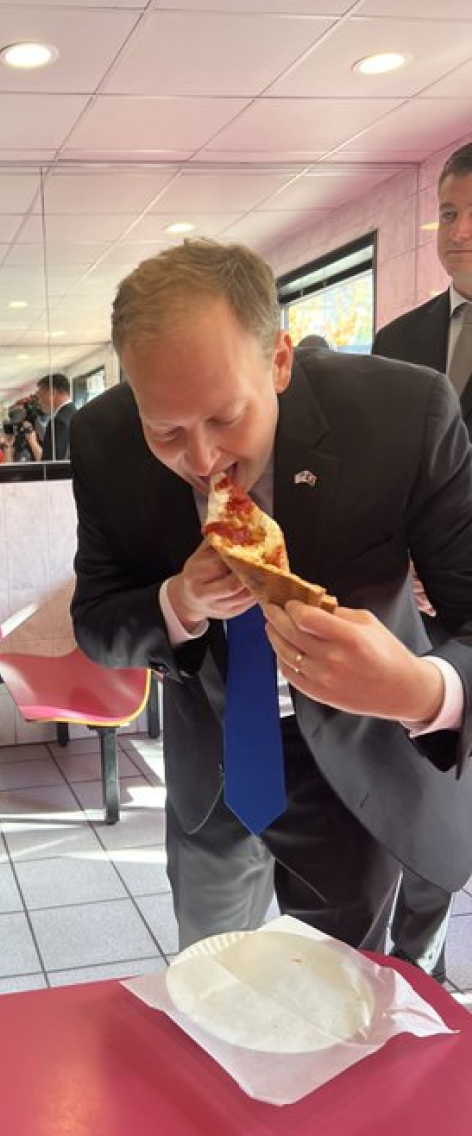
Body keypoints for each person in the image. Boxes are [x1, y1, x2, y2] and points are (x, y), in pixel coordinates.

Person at [71, 238, 472, 956]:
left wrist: (416, 686)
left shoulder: (403, 414)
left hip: (359, 756)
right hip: (214, 761)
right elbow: (97, 621)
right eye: (165, 430)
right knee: (211, 974)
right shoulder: (103, 440)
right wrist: (178, 601)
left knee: (347, 993)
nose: (201, 461)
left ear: (279, 361)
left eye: (226, 418)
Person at [371, 141, 472, 981]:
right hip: (412, 613)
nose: (460, 232)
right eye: (447, 212)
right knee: (424, 795)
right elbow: (369, 472)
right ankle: (416, 960)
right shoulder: (398, 340)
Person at [26, 374, 76, 461]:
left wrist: (33, 442)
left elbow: (52, 463)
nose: (39, 402)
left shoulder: (59, 421)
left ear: (52, 393)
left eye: (40, 396)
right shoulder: (74, 414)